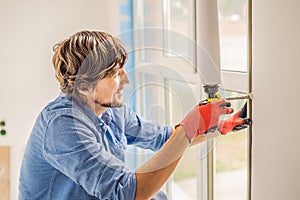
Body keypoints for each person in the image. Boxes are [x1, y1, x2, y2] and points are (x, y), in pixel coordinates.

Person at [19, 30, 233, 200]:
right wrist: (187, 129)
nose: (125, 79)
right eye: (114, 74)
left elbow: (163, 137)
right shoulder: (62, 126)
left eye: (122, 69)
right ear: (84, 84)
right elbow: (126, 193)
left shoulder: (112, 109)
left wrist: (219, 128)